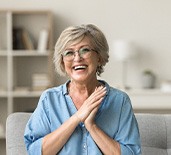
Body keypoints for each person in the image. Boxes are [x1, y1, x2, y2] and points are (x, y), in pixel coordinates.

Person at [24, 24, 141, 155]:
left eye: (84, 50)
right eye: (69, 53)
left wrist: (91, 126)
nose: (77, 58)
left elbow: (131, 153)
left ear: (99, 57)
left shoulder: (120, 101)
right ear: (62, 62)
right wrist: (77, 118)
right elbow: (35, 152)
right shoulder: (49, 99)